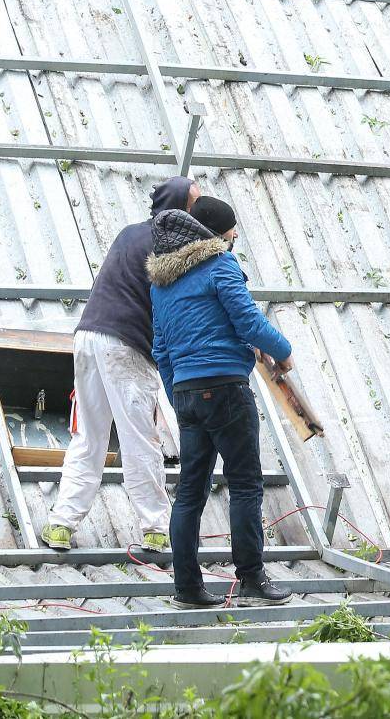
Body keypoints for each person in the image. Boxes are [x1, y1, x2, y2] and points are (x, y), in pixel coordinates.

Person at [148, 196, 295, 607]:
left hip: (188, 393)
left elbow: (161, 349)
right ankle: (250, 578)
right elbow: (247, 321)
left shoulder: (162, 283)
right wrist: (282, 350)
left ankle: (187, 588)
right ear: (218, 234)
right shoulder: (221, 265)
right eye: (232, 231)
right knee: (246, 483)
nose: (234, 238)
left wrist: (180, 397)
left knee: (190, 492)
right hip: (227, 389)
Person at [40, 176, 198, 554]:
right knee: (139, 437)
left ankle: (61, 523)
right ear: (182, 209)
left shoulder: (131, 233)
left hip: (88, 337)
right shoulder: (171, 244)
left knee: (89, 436)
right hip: (125, 346)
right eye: (196, 204)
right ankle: (157, 528)